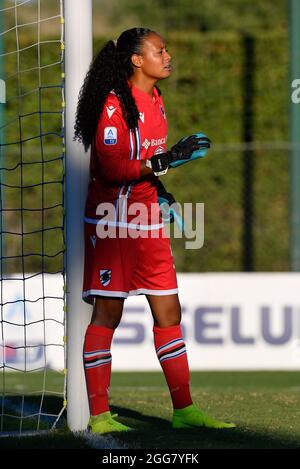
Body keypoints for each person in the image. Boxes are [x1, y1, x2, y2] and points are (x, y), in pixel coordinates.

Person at [74, 27, 235, 434]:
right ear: (136, 60)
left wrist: (160, 188)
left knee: (169, 312)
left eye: (166, 49)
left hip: (147, 222)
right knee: (108, 314)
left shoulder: (157, 100)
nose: (168, 55)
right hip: (112, 223)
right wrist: (168, 161)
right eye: (159, 50)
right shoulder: (113, 106)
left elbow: (147, 162)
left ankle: (185, 410)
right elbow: (111, 169)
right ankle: (99, 415)